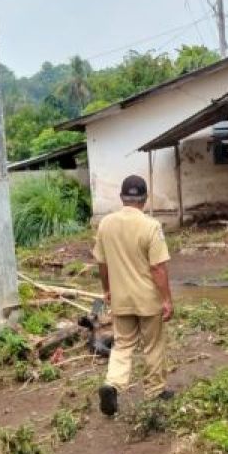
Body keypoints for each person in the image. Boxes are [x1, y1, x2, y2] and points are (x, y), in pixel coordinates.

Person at [92, 175, 174, 416]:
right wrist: (166, 299)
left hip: (121, 298)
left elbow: (102, 263)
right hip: (148, 299)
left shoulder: (106, 224)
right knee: (153, 345)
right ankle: (154, 391)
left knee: (123, 344)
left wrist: (107, 289)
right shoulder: (151, 226)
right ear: (145, 199)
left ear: (122, 198)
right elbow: (158, 268)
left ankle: (112, 384)